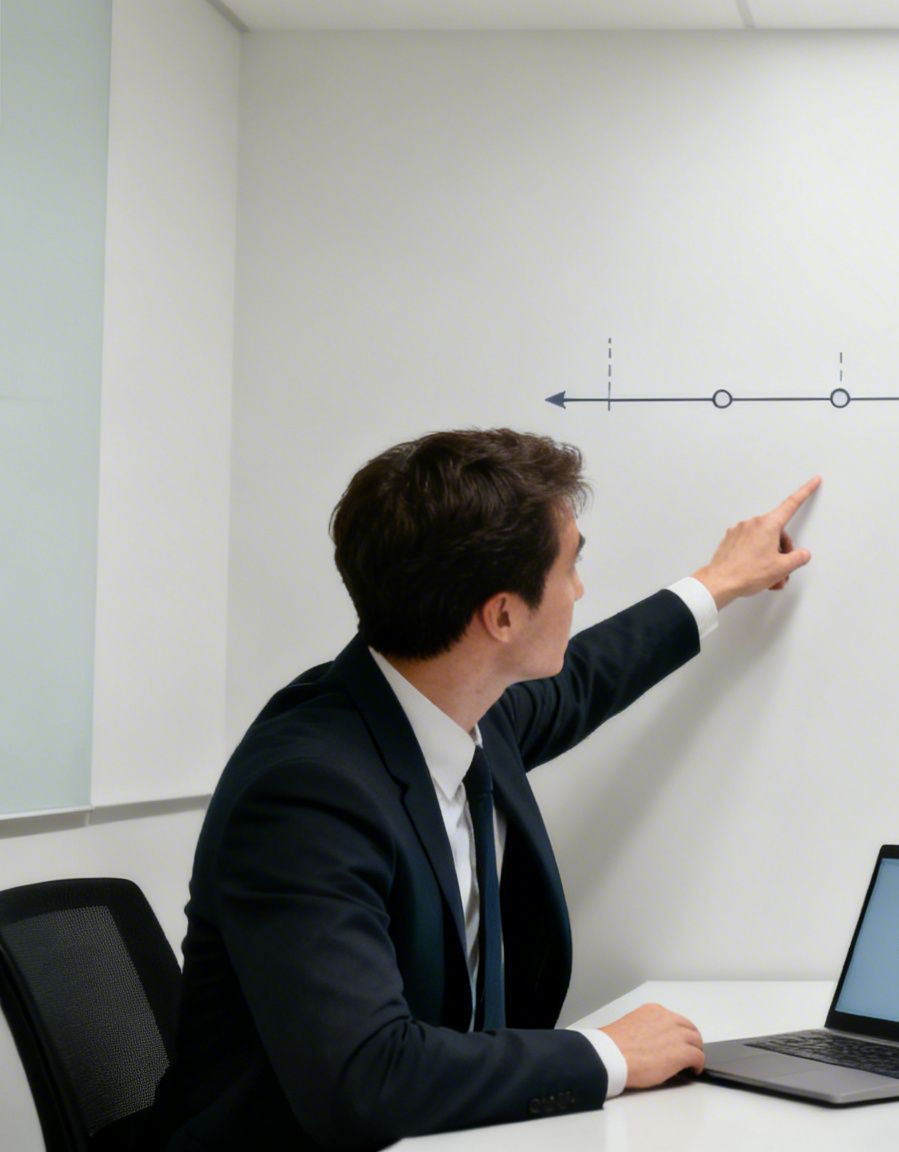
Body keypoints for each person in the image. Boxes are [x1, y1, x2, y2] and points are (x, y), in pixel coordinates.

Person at [149, 429, 820, 1150]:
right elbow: (366, 1082)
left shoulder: (452, 705)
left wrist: (717, 582)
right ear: (501, 616)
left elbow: (586, 678)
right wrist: (610, 1055)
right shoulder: (306, 792)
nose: (581, 590)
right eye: (572, 567)